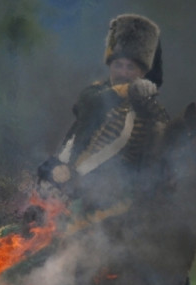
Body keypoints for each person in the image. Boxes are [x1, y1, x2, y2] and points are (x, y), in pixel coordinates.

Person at [37, 13, 169, 228]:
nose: (123, 72)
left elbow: (160, 143)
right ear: (110, 66)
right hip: (74, 174)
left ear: (142, 72)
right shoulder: (95, 92)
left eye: (130, 67)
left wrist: (147, 106)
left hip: (122, 189)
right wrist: (127, 90)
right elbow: (87, 104)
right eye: (118, 65)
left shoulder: (151, 108)